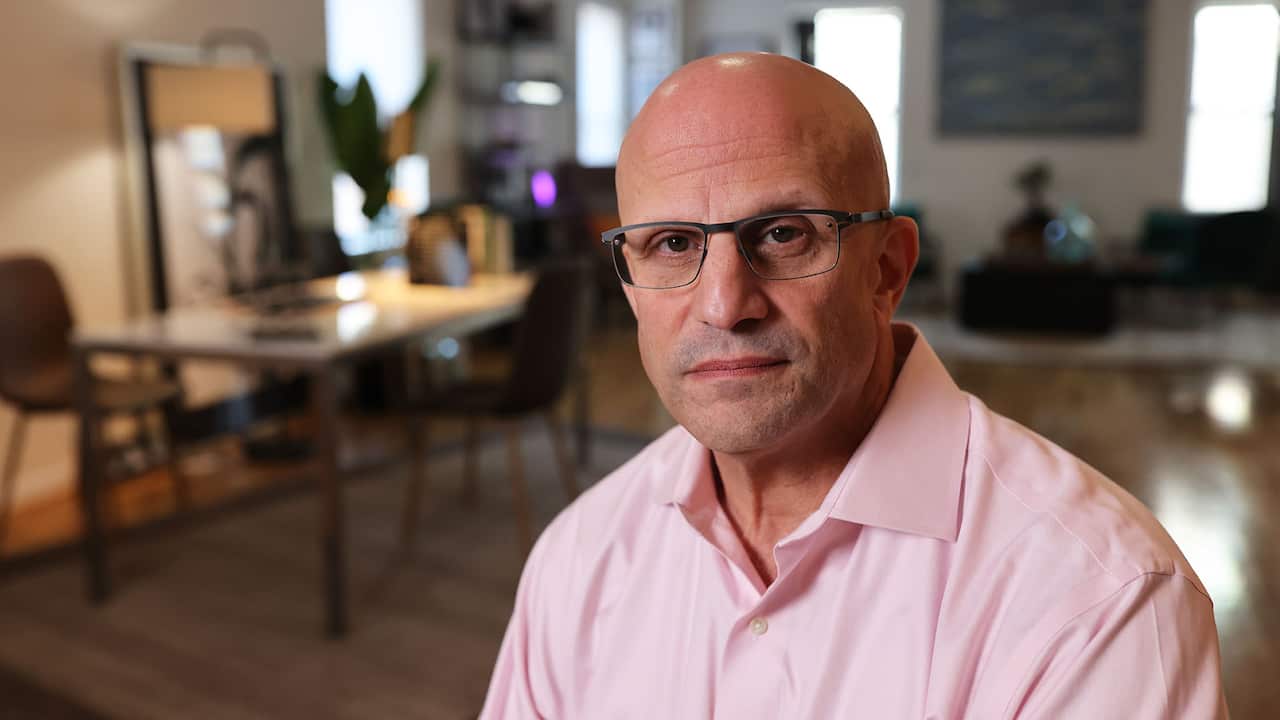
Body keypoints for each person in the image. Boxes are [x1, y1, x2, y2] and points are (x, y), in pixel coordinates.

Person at [479, 53, 1227, 718]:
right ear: (630, 283)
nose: (725, 305)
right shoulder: (580, 555)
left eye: (783, 233)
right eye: (672, 244)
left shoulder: (1099, 601)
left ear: (888, 269)